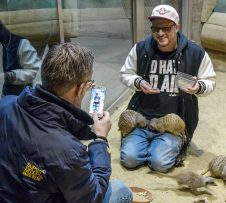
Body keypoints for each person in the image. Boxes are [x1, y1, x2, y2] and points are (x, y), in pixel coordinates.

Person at [0, 43, 132, 203]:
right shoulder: (69, 151)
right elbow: (92, 197)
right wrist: (100, 140)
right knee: (120, 190)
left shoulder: (6, 104)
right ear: (79, 89)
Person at [120, 5, 216, 173]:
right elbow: (125, 74)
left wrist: (197, 87)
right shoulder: (140, 49)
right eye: (156, 28)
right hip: (142, 120)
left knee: (159, 164)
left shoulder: (195, 52)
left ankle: (165, 144)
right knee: (129, 159)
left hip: (173, 124)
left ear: (177, 27)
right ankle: (149, 144)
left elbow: (210, 82)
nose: (160, 33)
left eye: (166, 28)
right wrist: (139, 82)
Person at [0, 20, 41, 97]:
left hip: (21, 96)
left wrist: (8, 76)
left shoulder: (21, 43)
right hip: (9, 93)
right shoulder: (7, 42)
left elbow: (31, 72)